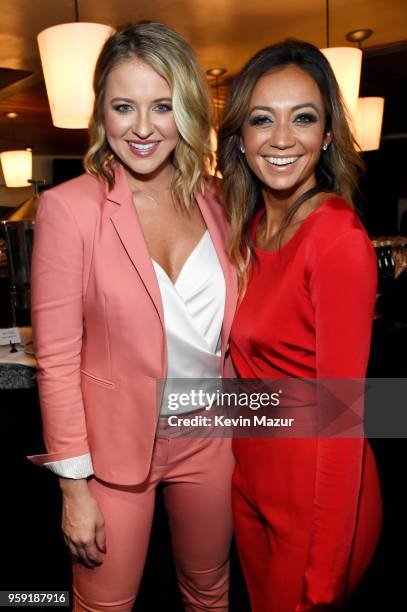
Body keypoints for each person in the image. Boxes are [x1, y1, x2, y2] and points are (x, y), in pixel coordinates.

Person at [29, 21, 237, 612]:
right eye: (124, 107)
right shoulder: (69, 208)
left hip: (213, 437)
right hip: (115, 452)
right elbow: (58, 360)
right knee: (104, 604)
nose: (142, 129)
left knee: (210, 591)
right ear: (102, 112)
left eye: (162, 106)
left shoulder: (221, 200)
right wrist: (74, 487)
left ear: (188, 112)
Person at [217, 39, 382, 612]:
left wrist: (324, 579)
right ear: (240, 138)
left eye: (303, 119)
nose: (282, 139)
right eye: (263, 120)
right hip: (252, 494)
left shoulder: (336, 240)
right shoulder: (253, 227)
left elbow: (345, 418)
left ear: (328, 135)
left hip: (318, 512)